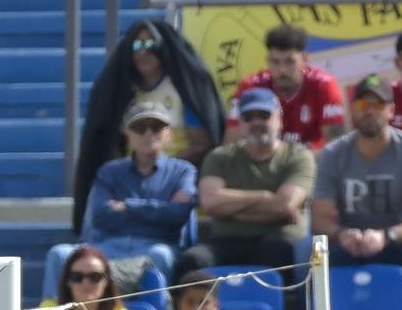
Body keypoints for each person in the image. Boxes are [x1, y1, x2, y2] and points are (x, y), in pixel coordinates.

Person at [72, 19, 220, 232]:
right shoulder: (121, 91)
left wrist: (161, 169)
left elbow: (202, 143)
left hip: (174, 178)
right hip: (129, 176)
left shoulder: (181, 91)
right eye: (136, 46)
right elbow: (109, 140)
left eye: (150, 45)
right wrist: (128, 173)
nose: (143, 52)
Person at [192, 88, 315, 293]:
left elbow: (284, 205)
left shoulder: (298, 156)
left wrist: (230, 210)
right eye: (248, 117)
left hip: (277, 240)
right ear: (240, 123)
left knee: (275, 252)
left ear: (279, 119)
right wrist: (265, 196)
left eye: (264, 115)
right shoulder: (220, 157)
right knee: (193, 260)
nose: (256, 122)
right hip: (226, 241)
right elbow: (211, 203)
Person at [66, 99, 195, 282]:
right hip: (109, 246)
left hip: (156, 245)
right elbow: (100, 215)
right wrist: (158, 211)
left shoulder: (183, 171)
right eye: (140, 128)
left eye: (156, 127)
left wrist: (128, 207)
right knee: (60, 254)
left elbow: (178, 214)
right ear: (127, 133)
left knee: (161, 255)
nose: (148, 133)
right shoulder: (109, 171)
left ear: (169, 133)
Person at [313, 76, 402, 266]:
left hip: (397, 241)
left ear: (391, 111)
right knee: (311, 253)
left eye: (378, 105)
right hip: (349, 245)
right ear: (353, 109)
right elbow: (319, 219)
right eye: (363, 104)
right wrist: (341, 234)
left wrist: (387, 236)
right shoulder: (333, 153)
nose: (370, 111)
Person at [223, 24, 344, 150]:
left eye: (290, 61)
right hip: (266, 161)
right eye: (275, 62)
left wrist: (298, 161)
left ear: (304, 59)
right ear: (267, 60)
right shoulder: (250, 86)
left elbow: (336, 145)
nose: (282, 70)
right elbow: (231, 144)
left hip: (312, 162)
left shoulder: (324, 84)